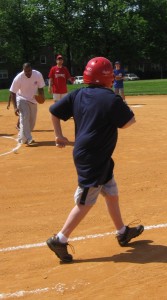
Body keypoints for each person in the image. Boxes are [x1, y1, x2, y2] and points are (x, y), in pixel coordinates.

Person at [46, 57, 144, 263]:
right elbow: (129, 122)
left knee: (111, 192)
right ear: (108, 77)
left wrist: (58, 135)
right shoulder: (111, 98)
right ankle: (60, 239)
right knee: (86, 199)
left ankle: (122, 231)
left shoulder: (78, 94)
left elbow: (54, 112)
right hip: (93, 157)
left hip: (94, 155)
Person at [9, 62, 45, 145]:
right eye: (26, 71)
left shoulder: (37, 75)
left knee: (32, 122)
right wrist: (15, 107)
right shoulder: (19, 77)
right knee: (25, 116)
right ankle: (29, 139)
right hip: (21, 99)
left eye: (29, 71)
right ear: (23, 70)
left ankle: (22, 136)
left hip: (33, 100)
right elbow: (12, 92)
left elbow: (41, 88)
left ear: (31, 69)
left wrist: (42, 96)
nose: (28, 73)